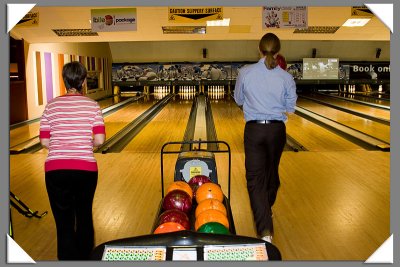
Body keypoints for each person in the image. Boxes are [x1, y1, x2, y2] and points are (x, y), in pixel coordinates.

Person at [234, 33, 297, 243]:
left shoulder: (245, 72)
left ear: (259, 49)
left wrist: (255, 102)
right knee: (271, 174)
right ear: (278, 51)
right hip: (277, 131)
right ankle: (266, 220)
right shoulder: (286, 77)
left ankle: (264, 223)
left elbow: (238, 99)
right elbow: (290, 108)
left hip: (254, 130)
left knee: (255, 180)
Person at [39, 61, 106, 260]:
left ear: (64, 80)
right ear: (84, 81)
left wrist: (62, 146)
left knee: (63, 219)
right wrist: (84, 145)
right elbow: (100, 140)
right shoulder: (93, 105)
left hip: (55, 169)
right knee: (83, 214)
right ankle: (86, 258)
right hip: (85, 168)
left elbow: (44, 141)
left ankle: (67, 260)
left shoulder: (51, 105)